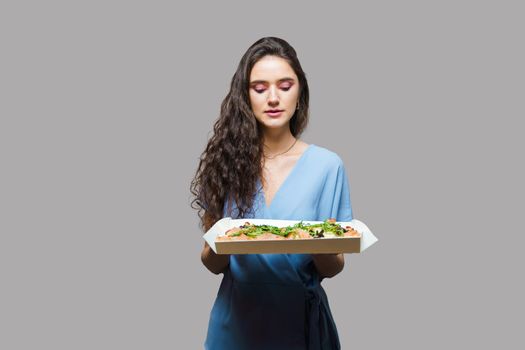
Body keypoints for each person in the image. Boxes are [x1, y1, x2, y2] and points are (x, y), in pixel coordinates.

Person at [190, 37, 353, 350]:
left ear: (300, 92)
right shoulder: (228, 161)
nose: (274, 98)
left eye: (285, 85)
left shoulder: (327, 166)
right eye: (260, 88)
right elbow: (212, 264)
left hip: (297, 323)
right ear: (246, 96)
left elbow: (332, 268)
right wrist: (221, 237)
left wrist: (322, 242)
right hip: (235, 324)